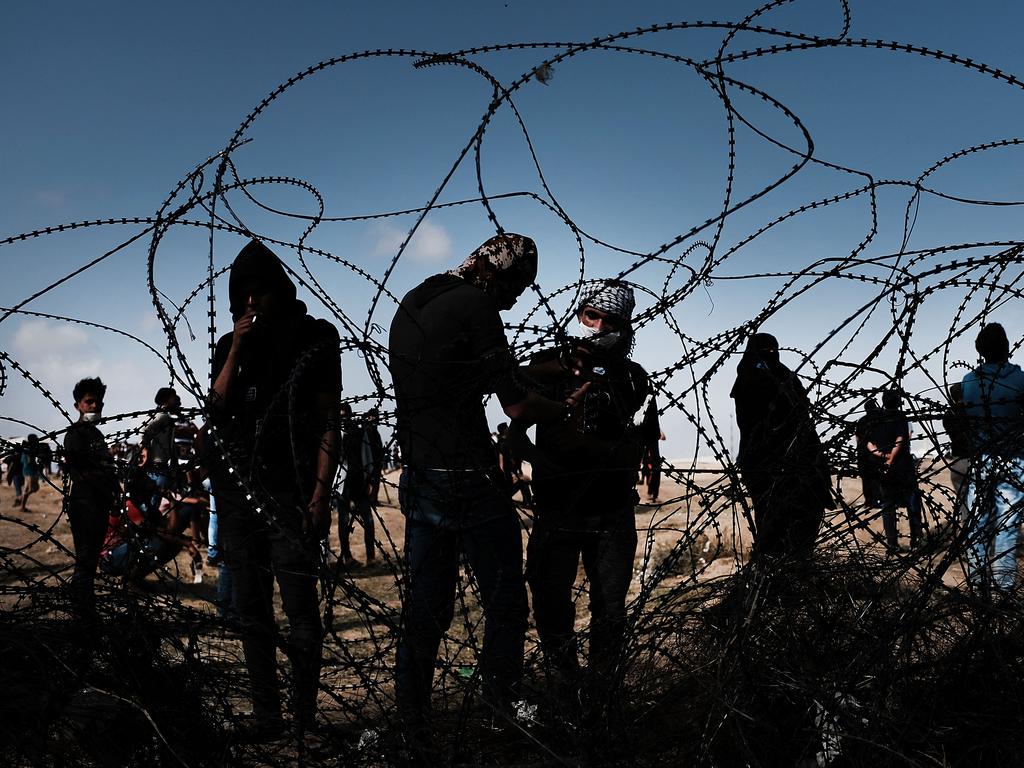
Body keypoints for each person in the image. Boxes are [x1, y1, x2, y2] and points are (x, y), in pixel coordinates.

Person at [388, 233, 586, 745]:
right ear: (494, 273)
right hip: (469, 478)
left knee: (427, 606)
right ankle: (503, 705)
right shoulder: (477, 305)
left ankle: (411, 719)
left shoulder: (417, 298)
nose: (513, 301)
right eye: (514, 288)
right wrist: (564, 407)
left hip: (421, 473)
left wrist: (541, 367)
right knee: (505, 599)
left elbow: (457, 378)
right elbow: (516, 404)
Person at [207, 238, 341, 739]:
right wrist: (238, 348)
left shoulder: (315, 338)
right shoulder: (231, 345)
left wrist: (320, 494)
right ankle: (268, 717)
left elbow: (330, 420)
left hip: (289, 493)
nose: (251, 302)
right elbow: (216, 411)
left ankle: (303, 718)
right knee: (252, 612)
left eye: (260, 291)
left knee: (300, 609)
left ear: (279, 289)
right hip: (239, 494)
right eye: (243, 293)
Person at [516, 280, 651, 733]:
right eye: (592, 317)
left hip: (610, 511)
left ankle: (600, 693)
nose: (599, 328)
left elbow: (614, 423)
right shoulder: (545, 370)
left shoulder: (632, 377)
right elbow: (519, 411)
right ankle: (566, 683)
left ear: (625, 326)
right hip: (558, 509)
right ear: (579, 315)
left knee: (609, 610)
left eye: (611, 322)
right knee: (551, 602)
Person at [730, 333, 834, 562]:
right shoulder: (756, 379)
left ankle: (786, 571)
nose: (770, 355)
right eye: (765, 350)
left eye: (773, 350)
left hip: (794, 462)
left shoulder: (780, 378)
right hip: (769, 465)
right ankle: (776, 574)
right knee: (773, 526)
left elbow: (800, 417)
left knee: (795, 522)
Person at [960, 322, 1024, 591]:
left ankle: (977, 588)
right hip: (1012, 457)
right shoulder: (1020, 380)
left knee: (977, 525)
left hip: (981, 459)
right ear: (1008, 348)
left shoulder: (968, 382)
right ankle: (1003, 591)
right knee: (1006, 527)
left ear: (979, 349)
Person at [62, 378, 119, 615]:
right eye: (89, 401)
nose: (95, 406)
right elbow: (83, 472)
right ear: (77, 405)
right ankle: (83, 615)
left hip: (98, 504)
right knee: (85, 561)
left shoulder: (96, 434)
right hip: (85, 505)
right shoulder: (75, 435)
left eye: (99, 402)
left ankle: (86, 609)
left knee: (91, 559)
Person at [865, 390, 923, 553]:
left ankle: (892, 544)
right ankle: (916, 541)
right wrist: (891, 458)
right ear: (898, 402)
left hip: (882, 467)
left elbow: (869, 444)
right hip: (902, 466)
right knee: (912, 504)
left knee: (888, 505)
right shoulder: (901, 417)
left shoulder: (875, 419)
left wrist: (883, 456)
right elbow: (900, 439)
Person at [942, 382, 972, 522]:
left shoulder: (948, 415)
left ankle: (967, 533)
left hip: (957, 461)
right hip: (974, 459)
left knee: (963, 504)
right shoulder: (974, 411)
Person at [854, 398, 883, 508]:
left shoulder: (862, 421)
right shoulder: (879, 420)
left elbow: (857, 437)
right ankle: (878, 499)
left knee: (866, 479)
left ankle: (869, 501)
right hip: (875, 454)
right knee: (877, 477)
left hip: (863, 454)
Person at [495, 421, 532, 506]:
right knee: (522, 484)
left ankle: (526, 502)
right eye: (507, 428)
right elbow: (505, 459)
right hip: (509, 471)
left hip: (509, 471)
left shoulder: (501, 443)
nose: (508, 429)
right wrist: (514, 472)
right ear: (504, 430)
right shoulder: (503, 444)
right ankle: (527, 502)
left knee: (520, 484)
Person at [19, 434, 42, 512]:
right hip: (31, 472)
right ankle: (22, 505)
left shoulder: (25, 449)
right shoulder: (29, 449)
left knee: (26, 489)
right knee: (34, 489)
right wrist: (37, 466)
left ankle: (21, 502)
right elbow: (30, 461)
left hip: (25, 471)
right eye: (36, 439)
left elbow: (23, 461)